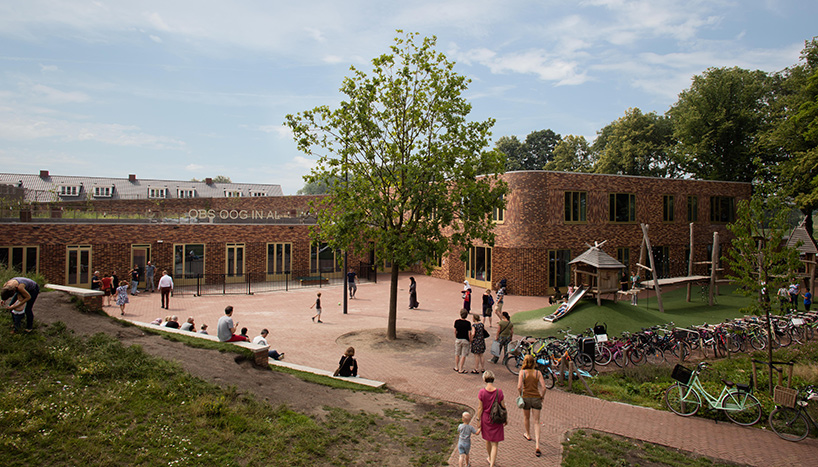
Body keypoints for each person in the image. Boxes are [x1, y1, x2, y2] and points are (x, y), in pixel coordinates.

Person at [517, 354, 547, 457]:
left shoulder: (522, 372)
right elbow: (544, 387)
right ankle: (537, 444)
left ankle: (528, 434)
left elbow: (519, 386)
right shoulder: (538, 373)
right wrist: (542, 397)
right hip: (536, 398)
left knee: (526, 417)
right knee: (537, 421)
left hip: (526, 397)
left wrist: (520, 394)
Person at [476, 370, 505, 467]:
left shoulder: (482, 392)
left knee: (487, 440)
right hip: (496, 418)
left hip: (486, 418)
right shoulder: (499, 392)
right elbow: (503, 406)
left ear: (484, 379)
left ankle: (490, 457)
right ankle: (492, 463)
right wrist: (506, 418)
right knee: (495, 443)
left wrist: (478, 419)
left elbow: (480, 408)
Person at [453, 308, 472, 374]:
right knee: (464, 355)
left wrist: (456, 337)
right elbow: (469, 333)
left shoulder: (457, 322)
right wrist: (470, 340)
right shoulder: (468, 323)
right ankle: (461, 368)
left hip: (458, 339)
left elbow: (455, 331)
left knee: (457, 353)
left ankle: (456, 367)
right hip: (465, 339)